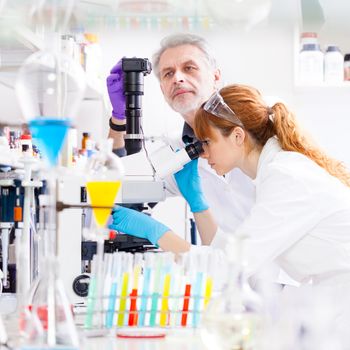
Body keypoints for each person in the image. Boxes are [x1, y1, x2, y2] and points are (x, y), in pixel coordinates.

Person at [110, 83, 350, 291]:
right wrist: (198, 203)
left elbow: (228, 267)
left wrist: (158, 233)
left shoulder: (287, 178)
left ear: (237, 136)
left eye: (207, 142)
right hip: (326, 296)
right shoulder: (276, 171)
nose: (202, 153)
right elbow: (237, 252)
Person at [106, 33, 255, 244]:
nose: (177, 78)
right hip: (225, 269)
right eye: (168, 74)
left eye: (189, 68)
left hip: (285, 274)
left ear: (215, 76)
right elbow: (115, 187)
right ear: (162, 90)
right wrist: (119, 118)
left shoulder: (256, 124)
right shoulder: (176, 153)